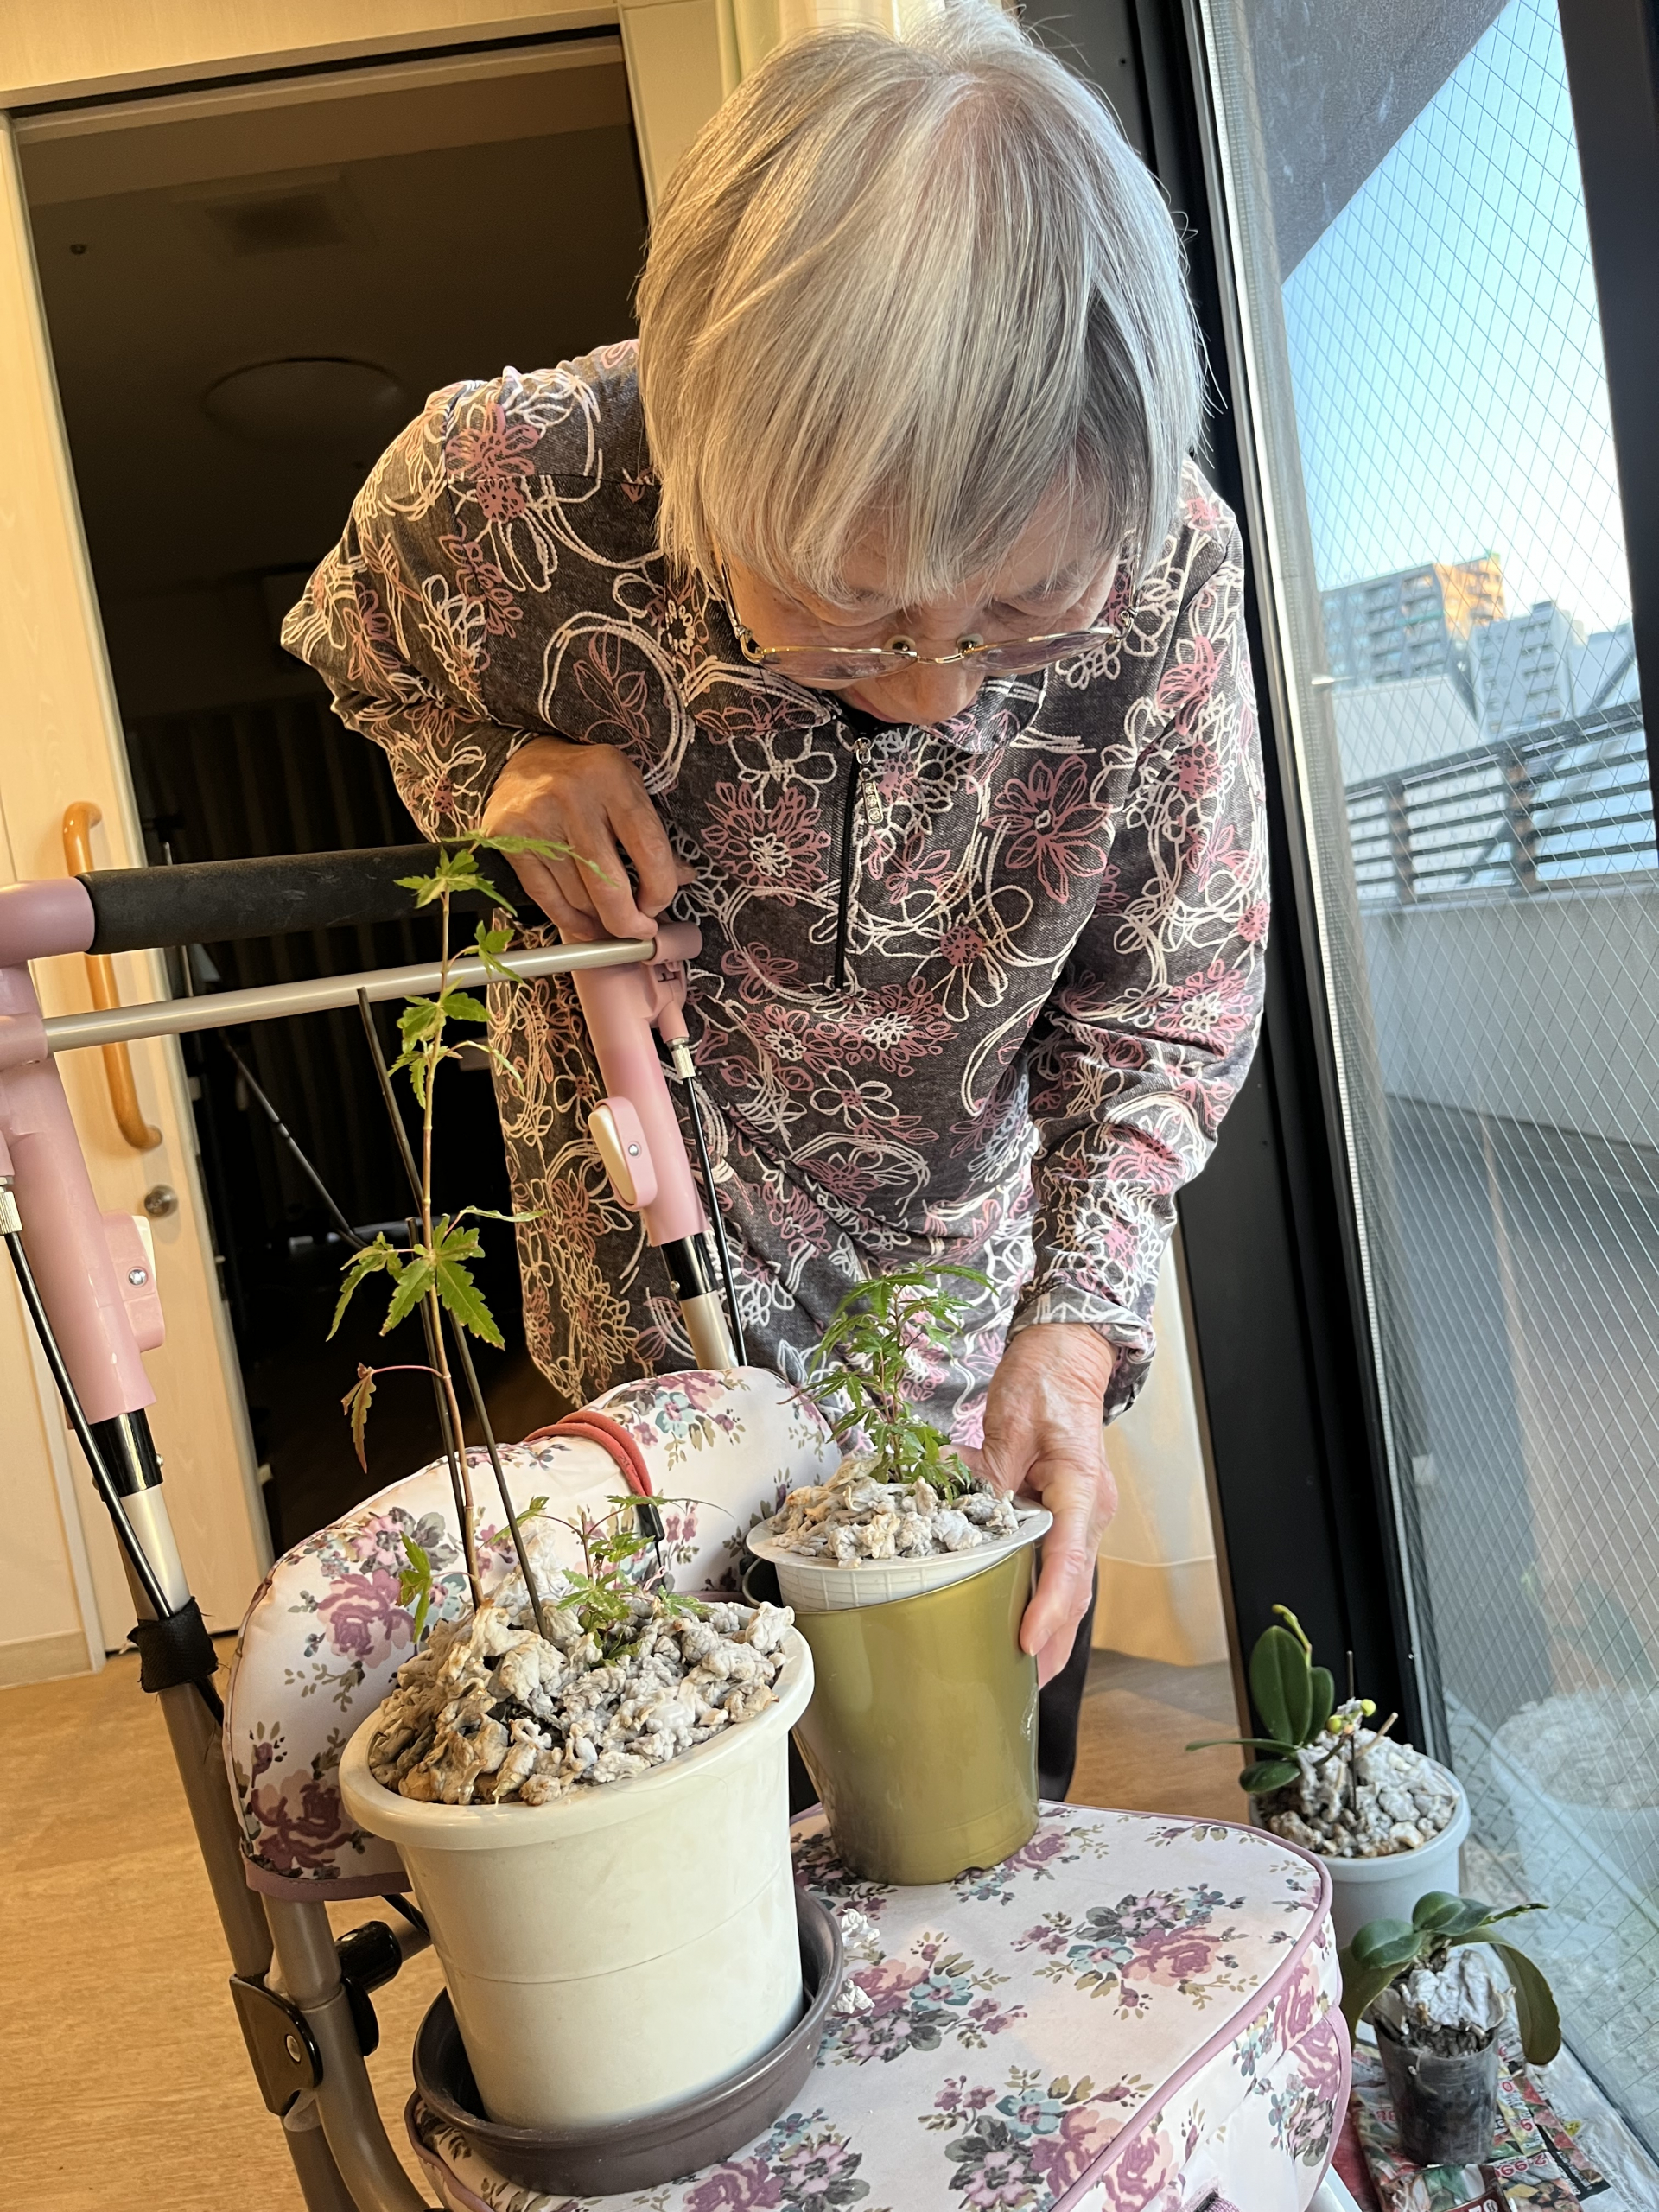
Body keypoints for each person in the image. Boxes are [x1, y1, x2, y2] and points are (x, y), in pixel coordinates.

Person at [284, 1, 1266, 1797]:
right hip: (639, 1272)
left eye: (1016, 617)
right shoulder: (517, 484)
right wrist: (493, 775)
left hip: (962, 1305)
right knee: (684, 1782)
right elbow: (362, 655)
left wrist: (1074, 1324)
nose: (934, 691)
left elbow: (1168, 998)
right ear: (704, 458)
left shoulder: (1166, 560)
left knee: (970, 1775)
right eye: (853, 609)